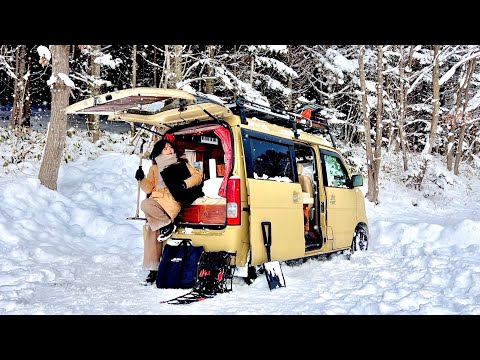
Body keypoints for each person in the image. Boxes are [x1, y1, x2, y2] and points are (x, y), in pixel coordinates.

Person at [135, 137, 203, 284]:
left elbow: (198, 176)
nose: (170, 150)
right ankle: (154, 267)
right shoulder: (154, 168)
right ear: (159, 151)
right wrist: (141, 180)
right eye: (166, 148)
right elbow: (150, 188)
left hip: (172, 198)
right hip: (157, 200)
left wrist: (184, 184)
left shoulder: (181, 163)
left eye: (170, 147)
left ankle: (166, 225)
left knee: (152, 224)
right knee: (150, 222)